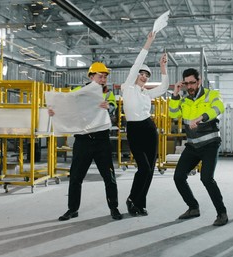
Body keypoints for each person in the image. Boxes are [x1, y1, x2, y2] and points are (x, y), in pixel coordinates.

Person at [49, 62, 123, 221]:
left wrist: (108, 107)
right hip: (82, 141)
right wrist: (55, 110)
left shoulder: (107, 94)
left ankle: (114, 208)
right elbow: (65, 104)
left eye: (104, 77)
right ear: (91, 77)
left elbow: (113, 106)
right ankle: (72, 209)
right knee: (75, 177)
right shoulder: (78, 91)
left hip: (101, 140)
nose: (103, 79)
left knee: (109, 177)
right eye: (100, 76)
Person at [169, 68, 228, 226]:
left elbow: (219, 108)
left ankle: (222, 213)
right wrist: (175, 94)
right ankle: (193, 207)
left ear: (199, 81)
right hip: (193, 145)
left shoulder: (211, 94)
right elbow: (173, 114)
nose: (190, 86)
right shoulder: (184, 99)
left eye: (192, 83)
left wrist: (201, 118)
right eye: (186, 84)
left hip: (210, 143)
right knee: (178, 177)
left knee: (206, 178)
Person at [121, 32, 169, 216]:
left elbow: (164, 88)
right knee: (143, 167)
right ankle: (132, 198)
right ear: (135, 75)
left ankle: (140, 203)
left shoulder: (146, 94)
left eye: (146, 75)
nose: (143, 76)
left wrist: (163, 67)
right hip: (134, 129)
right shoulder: (128, 88)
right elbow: (137, 62)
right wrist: (149, 41)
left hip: (149, 129)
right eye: (141, 73)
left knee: (150, 169)